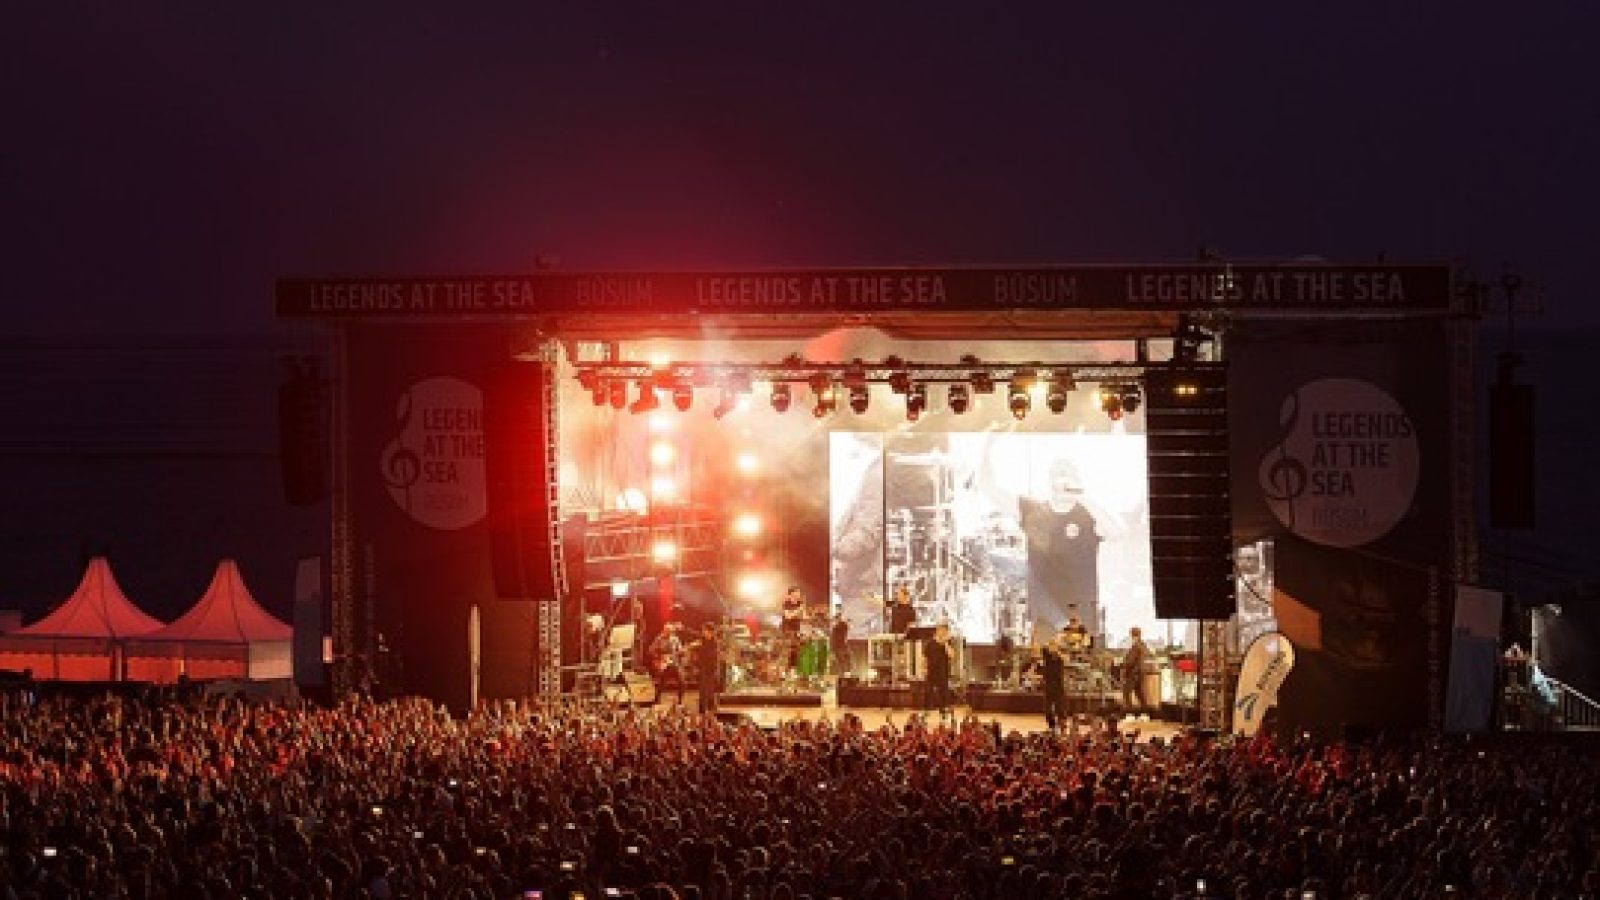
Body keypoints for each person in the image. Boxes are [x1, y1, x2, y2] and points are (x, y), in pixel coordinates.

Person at [1018, 458, 1113, 639]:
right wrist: (988, 448)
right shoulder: (1036, 512)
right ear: (1050, 481)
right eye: (1058, 474)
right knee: (1045, 654)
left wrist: (1082, 496)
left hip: (1083, 614)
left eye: (1067, 475)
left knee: (1083, 654)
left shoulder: (1087, 514)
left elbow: (1117, 531)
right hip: (1046, 616)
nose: (1062, 481)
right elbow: (990, 487)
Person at [922, 622, 955, 719]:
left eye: (945, 631)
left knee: (943, 691)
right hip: (931, 670)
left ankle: (943, 710)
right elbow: (924, 657)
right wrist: (924, 668)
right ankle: (927, 710)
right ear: (937, 631)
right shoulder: (930, 643)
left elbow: (952, 655)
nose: (942, 632)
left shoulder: (948, 643)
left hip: (943, 671)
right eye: (941, 630)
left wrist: (945, 643)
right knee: (928, 690)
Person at [650, 624, 689, 705]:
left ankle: (680, 700)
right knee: (661, 683)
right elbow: (651, 650)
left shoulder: (675, 639)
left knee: (682, 682)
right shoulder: (659, 639)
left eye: (670, 631)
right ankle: (657, 699)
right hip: (665, 664)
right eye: (667, 631)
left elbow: (680, 650)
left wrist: (683, 652)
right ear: (664, 630)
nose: (668, 632)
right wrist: (660, 657)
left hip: (674, 664)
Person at [1040, 629, 1068, 730]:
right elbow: (1044, 648)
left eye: (1054, 646)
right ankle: (1051, 727)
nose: (1052, 648)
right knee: (1048, 709)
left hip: (1058, 686)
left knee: (1060, 708)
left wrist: (1057, 648)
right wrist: (1053, 641)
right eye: (1051, 646)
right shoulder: (1047, 656)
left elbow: (1064, 658)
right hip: (1048, 686)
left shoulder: (1060, 659)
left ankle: (1062, 726)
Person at [693, 623, 723, 715]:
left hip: (710, 669)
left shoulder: (715, 643)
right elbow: (699, 653)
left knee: (710, 690)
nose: (703, 632)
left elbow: (715, 656)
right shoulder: (703, 641)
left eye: (705, 630)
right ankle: (702, 710)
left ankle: (711, 710)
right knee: (702, 690)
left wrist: (716, 669)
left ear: (710, 632)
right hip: (703, 668)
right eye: (703, 630)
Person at [1121, 626, 1150, 712]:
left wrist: (1122, 664)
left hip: (1133, 672)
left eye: (1131, 634)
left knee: (1126, 692)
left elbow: (1130, 661)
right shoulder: (1143, 645)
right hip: (1140, 672)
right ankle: (1145, 711)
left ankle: (1129, 711)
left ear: (1133, 635)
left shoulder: (1136, 646)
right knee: (1139, 692)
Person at [829, 612, 851, 680]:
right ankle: (845, 676)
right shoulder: (838, 627)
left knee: (843, 662)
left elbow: (833, 639)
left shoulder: (838, 627)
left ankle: (845, 676)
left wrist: (832, 649)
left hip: (840, 647)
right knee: (843, 663)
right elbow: (833, 639)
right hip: (840, 647)